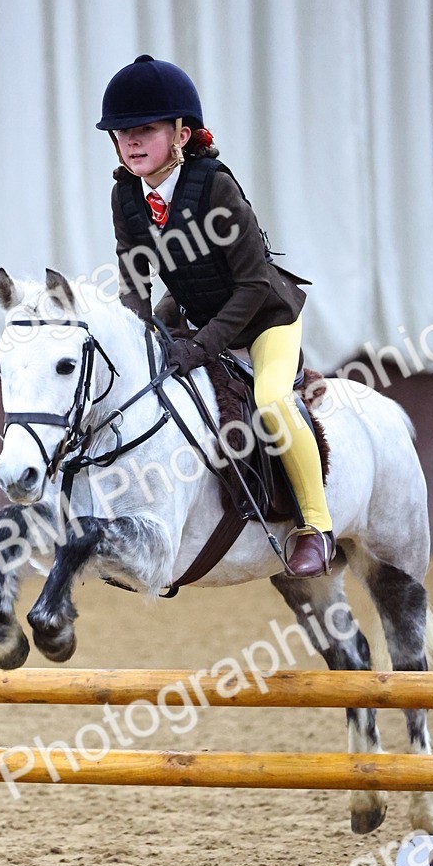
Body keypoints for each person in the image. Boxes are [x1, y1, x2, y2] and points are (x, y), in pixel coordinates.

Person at [96, 54, 335, 579]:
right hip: (194, 313)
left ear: (182, 133)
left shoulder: (214, 185)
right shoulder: (125, 196)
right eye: (121, 132)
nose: (131, 141)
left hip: (264, 317)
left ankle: (315, 527)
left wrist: (201, 346)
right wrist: (136, 344)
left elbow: (251, 285)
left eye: (145, 129)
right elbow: (136, 286)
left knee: (272, 401)